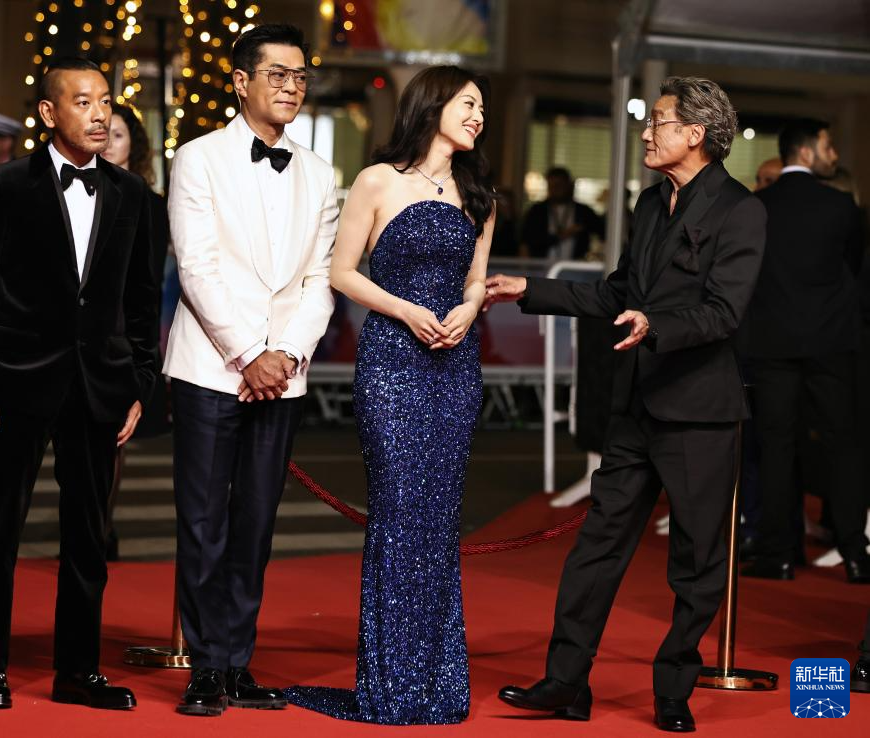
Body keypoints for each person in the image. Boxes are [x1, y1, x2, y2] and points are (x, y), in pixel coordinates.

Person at [485, 77, 765, 732]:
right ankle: (565, 682)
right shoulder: (649, 202)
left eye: (657, 121)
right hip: (636, 406)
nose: (646, 131)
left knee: (696, 562)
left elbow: (723, 312)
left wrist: (655, 326)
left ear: (694, 133)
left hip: (699, 413)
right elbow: (618, 293)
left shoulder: (740, 210)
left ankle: (673, 689)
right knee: (596, 547)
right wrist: (532, 290)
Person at [0, 57, 159, 710]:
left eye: (106, 101)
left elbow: (142, 302)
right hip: (13, 381)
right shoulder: (5, 185)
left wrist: (140, 383)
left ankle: (78, 671)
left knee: (88, 537)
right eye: (83, 101)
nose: (99, 114)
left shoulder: (131, 195)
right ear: (48, 112)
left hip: (98, 387)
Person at [285, 65, 495, 725]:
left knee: (440, 517)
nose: (478, 117)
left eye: (482, 109)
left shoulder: (479, 195)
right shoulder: (377, 181)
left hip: (455, 365)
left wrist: (469, 308)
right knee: (399, 510)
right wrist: (405, 311)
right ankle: (390, 683)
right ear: (432, 105)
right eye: (468, 104)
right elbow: (341, 272)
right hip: (393, 363)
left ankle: (434, 683)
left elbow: (476, 279)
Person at [164, 23, 338, 717]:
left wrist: (286, 354)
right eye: (278, 74)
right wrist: (247, 353)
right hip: (212, 367)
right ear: (241, 82)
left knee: (256, 523)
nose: (292, 87)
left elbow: (321, 280)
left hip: (283, 375)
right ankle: (205, 667)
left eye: (300, 77)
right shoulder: (198, 158)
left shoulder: (320, 172)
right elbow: (195, 267)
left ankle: (236, 662)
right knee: (203, 522)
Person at [737, 119, 869, 583]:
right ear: (807, 152)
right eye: (828, 146)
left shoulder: (757, 206)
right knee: (844, 446)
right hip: (831, 341)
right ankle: (855, 554)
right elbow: (852, 266)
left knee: (777, 448)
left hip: (772, 342)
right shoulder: (842, 206)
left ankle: (779, 554)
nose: (835, 154)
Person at [100, 102, 170, 561]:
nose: (108, 142)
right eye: (104, 132)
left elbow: (150, 281)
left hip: (123, 337)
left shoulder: (150, 204)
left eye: (119, 135)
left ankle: (99, 527)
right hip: (74, 336)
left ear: (135, 145)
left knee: (112, 443)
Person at [521, 167, 603, 260]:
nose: (555, 189)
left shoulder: (583, 211)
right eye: (552, 186)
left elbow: (602, 233)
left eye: (559, 185)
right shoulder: (537, 211)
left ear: (568, 185)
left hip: (576, 266)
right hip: (541, 265)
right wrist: (562, 235)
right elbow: (526, 243)